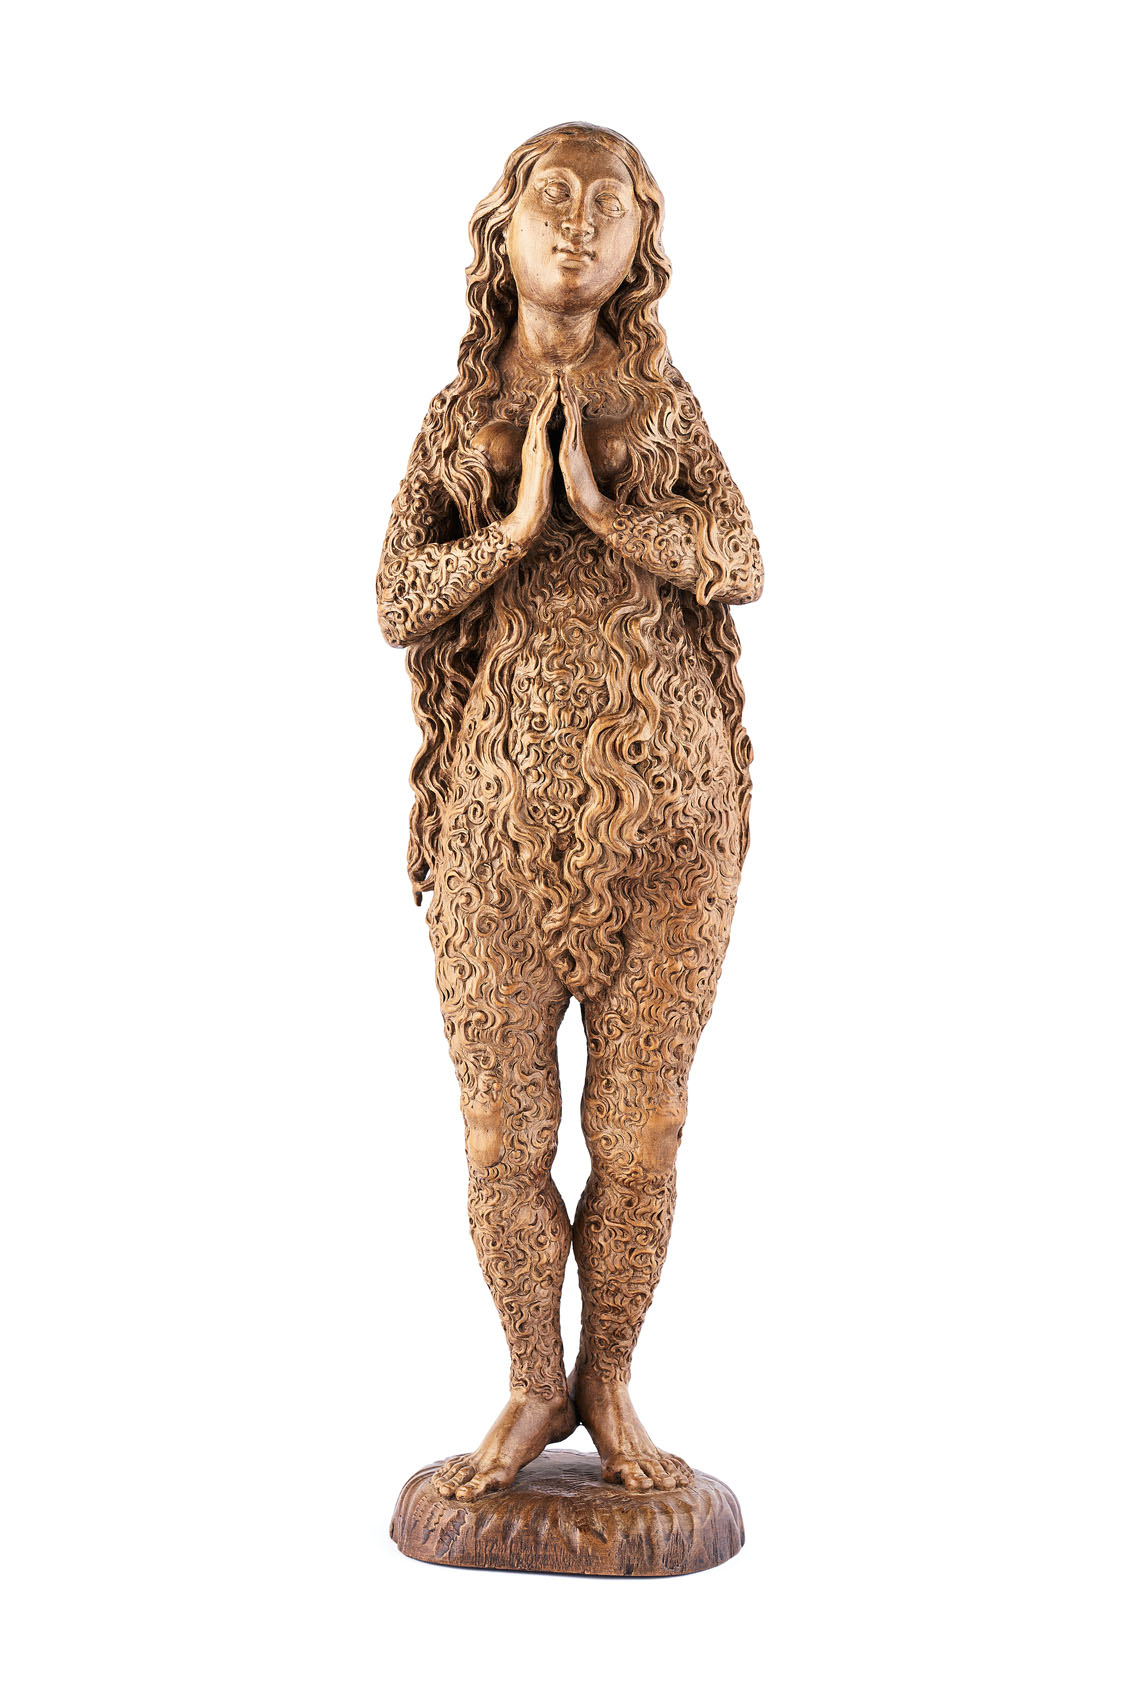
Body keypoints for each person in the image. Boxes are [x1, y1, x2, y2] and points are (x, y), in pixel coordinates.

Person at [378, 122, 762, 1499]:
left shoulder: (660, 403)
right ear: (505, 229)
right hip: (499, 821)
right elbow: (396, 598)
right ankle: (532, 1380)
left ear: (640, 242)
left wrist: (602, 509)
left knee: (643, 1126)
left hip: (668, 812)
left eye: (610, 204)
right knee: (502, 1133)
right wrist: (515, 521)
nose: (581, 224)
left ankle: (610, 1381)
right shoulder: (459, 414)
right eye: (554, 198)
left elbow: (741, 557)